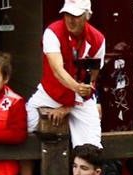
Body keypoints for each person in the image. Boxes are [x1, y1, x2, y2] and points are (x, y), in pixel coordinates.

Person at [26, 0, 106, 150]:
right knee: (25, 125)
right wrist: (76, 87)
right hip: (50, 92)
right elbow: (57, 70)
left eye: (75, 15)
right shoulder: (52, 32)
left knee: (91, 147)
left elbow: (93, 76)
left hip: (81, 99)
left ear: (87, 16)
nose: (70, 19)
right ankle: (28, 174)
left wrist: (80, 98)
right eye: (67, 14)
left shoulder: (98, 40)